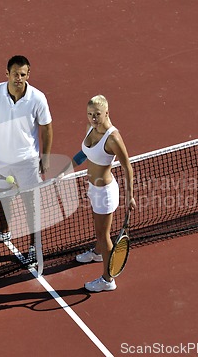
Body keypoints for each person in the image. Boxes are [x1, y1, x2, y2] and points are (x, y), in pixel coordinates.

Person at [0, 55, 53, 265]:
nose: (18, 78)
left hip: (27, 162)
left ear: (28, 75)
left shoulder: (37, 98)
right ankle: (3, 231)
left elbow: (47, 127)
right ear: (7, 74)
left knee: (31, 205)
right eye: (15, 74)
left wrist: (45, 157)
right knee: (2, 199)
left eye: (22, 74)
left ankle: (33, 246)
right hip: (1, 160)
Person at [74, 95, 136, 292]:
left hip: (105, 192)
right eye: (90, 114)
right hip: (93, 188)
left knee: (103, 234)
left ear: (107, 112)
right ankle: (98, 252)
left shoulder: (113, 138)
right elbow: (84, 153)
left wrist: (130, 196)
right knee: (98, 230)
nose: (93, 118)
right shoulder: (90, 128)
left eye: (97, 114)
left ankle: (108, 280)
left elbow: (128, 167)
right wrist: (65, 168)